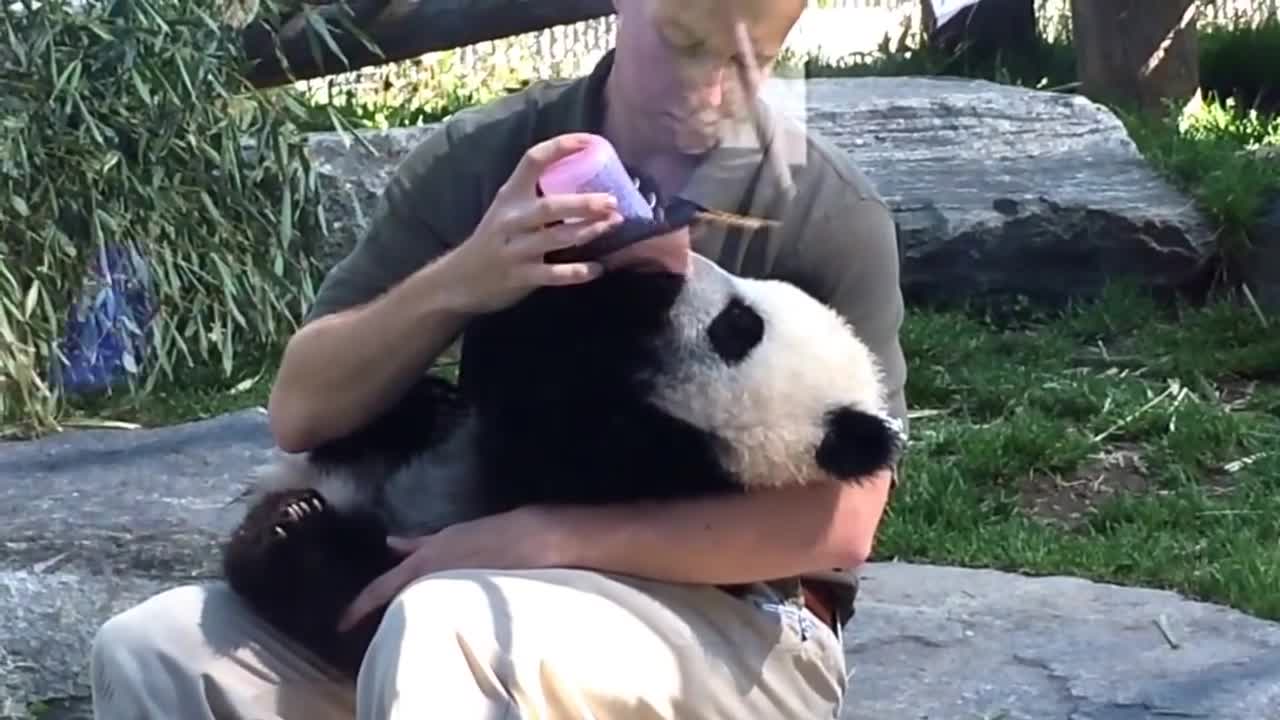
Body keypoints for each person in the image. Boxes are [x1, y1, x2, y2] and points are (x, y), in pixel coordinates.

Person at [88, 0, 909, 717]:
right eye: (689, 43)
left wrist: (545, 537)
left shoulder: (825, 211)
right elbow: (302, 411)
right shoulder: (488, 157)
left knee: (451, 630)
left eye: (752, 59)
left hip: (738, 622)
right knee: (154, 649)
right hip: (467, 577)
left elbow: (840, 526)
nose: (711, 95)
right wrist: (465, 278)